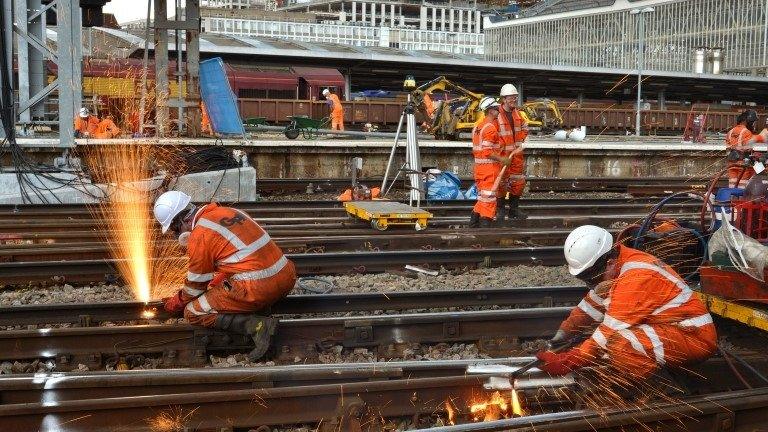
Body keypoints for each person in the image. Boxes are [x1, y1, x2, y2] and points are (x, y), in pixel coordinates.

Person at [537, 225, 717, 380]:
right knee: (598, 344)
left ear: (609, 262)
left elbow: (608, 331)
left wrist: (571, 360)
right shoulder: (618, 265)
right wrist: (560, 337)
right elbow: (589, 307)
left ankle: (659, 387)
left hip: (692, 336)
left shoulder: (636, 277)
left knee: (619, 344)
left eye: (592, 277)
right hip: (668, 328)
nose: (592, 283)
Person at [153, 191, 297, 360]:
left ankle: (258, 326)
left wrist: (175, 303)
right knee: (219, 288)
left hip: (259, 287)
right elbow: (239, 259)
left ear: (183, 220)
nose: (176, 235)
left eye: (174, 229)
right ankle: (260, 308)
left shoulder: (200, 234)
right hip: (287, 277)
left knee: (192, 311)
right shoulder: (230, 212)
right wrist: (214, 285)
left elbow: (194, 288)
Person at [470, 97, 511, 228]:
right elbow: (487, 151)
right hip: (489, 170)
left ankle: (473, 225)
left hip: (479, 168)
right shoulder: (490, 128)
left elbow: (482, 149)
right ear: (490, 111)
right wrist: (503, 159)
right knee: (489, 200)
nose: (499, 110)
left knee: (483, 198)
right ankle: (484, 230)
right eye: (496, 108)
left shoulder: (478, 126)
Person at [496, 84, 529, 222]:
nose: (514, 100)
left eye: (515, 97)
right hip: (503, 155)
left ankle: (514, 210)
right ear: (504, 99)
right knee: (501, 183)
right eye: (511, 97)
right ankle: (500, 210)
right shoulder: (496, 114)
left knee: (518, 182)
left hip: (516, 155)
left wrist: (523, 142)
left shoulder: (518, 114)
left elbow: (525, 127)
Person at [726, 110, 768, 188]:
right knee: (742, 187)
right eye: (752, 122)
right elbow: (749, 143)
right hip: (743, 164)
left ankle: (731, 199)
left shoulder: (730, 132)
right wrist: (761, 136)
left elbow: (731, 147)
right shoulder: (746, 132)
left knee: (732, 186)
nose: (753, 125)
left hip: (731, 163)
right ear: (747, 121)